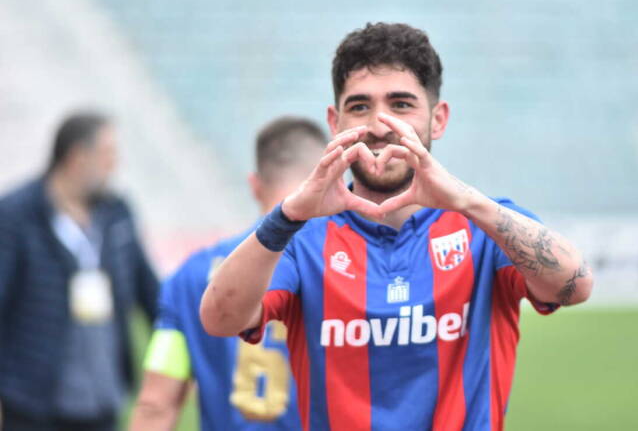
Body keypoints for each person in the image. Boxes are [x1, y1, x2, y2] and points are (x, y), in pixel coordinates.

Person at [201, 23, 594, 431]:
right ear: (335, 122)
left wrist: (466, 201)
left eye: (401, 104)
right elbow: (219, 319)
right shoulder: (301, 239)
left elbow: (575, 285)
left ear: (438, 119)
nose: (380, 124)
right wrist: (286, 216)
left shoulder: (483, 227)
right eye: (359, 107)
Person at [130, 116, 327, 431]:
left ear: (254, 186)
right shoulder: (339, 266)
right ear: (327, 183)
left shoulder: (190, 276)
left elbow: (156, 404)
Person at [0, 111, 160, 431]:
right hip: (32, 404)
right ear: (77, 157)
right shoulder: (17, 214)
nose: (114, 164)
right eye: (107, 153)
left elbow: (151, 294)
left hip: (102, 401)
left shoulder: (117, 213)